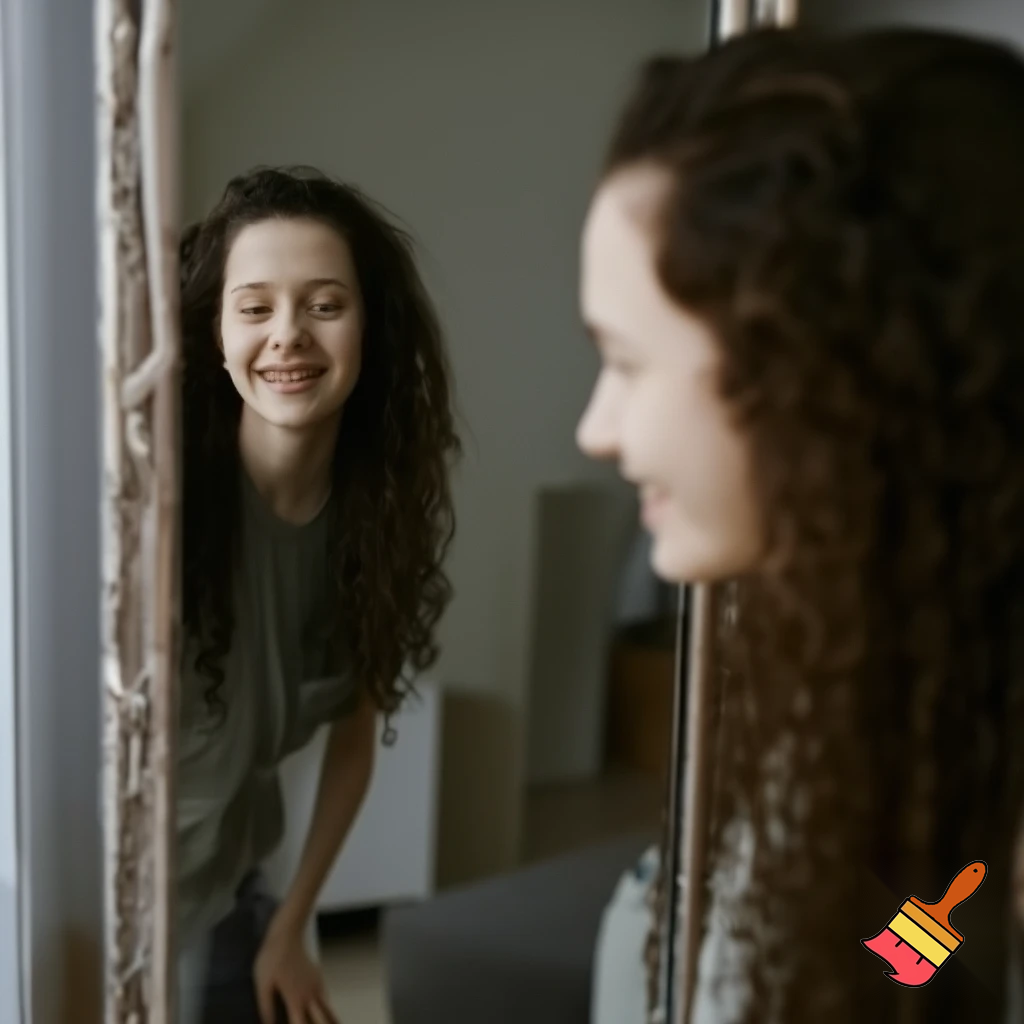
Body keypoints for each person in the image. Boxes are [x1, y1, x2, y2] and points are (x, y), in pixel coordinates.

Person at [577, 26, 1024, 1024]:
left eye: (629, 362)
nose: (594, 429)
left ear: (813, 376)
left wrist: (896, 966)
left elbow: (948, 911)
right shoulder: (857, 624)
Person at [176, 166, 460, 1023]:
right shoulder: (152, 508)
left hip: (229, 901)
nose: (288, 336)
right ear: (216, 334)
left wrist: (293, 924)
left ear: (367, 325)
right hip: (80, 909)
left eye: (325, 304)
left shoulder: (378, 527)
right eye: (255, 307)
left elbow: (353, 744)